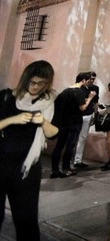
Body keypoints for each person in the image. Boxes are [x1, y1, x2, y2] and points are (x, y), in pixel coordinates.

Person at [0, 60, 59, 239]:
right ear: (25, 79)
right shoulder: (6, 97)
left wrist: (42, 121)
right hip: (0, 164)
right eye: (32, 82)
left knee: (26, 220)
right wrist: (13, 120)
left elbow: (54, 133)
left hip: (27, 170)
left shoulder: (50, 102)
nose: (35, 87)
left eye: (41, 83)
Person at [51, 73, 95, 178]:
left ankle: (55, 170)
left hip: (62, 123)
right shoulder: (79, 92)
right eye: (88, 80)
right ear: (83, 80)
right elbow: (82, 108)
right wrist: (90, 98)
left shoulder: (65, 91)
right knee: (70, 146)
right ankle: (66, 169)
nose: (89, 82)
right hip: (74, 123)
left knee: (59, 146)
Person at [73, 71, 98, 168]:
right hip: (78, 115)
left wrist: (95, 115)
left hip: (88, 115)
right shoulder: (79, 88)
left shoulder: (95, 88)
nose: (91, 81)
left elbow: (96, 102)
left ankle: (78, 160)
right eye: (90, 79)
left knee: (82, 137)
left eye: (93, 79)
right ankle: (70, 157)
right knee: (74, 136)